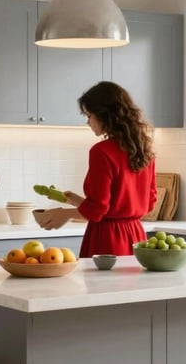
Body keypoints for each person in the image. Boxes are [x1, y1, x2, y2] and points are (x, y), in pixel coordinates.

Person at [36, 81, 157, 257]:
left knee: (104, 284)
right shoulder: (144, 151)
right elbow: (149, 202)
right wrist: (76, 200)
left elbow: (97, 211)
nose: (88, 122)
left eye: (89, 115)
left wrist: (64, 215)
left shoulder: (101, 151)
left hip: (107, 240)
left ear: (104, 115)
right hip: (137, 237)